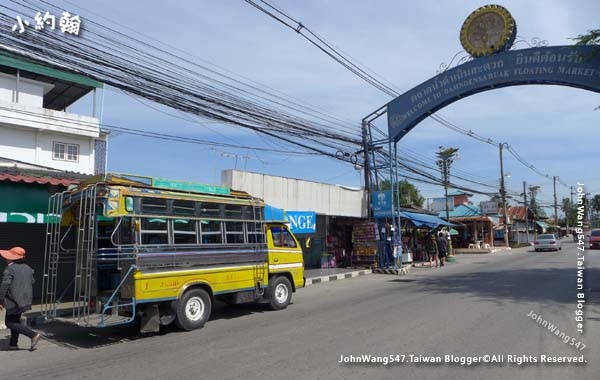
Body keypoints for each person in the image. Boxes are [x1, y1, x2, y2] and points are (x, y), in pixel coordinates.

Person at [0, 247, 41, 351]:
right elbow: (32, 281)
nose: (6, 258)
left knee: (10, 323)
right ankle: (13, 344)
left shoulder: (10, 269)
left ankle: (33, 335)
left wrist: (0, 300)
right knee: (15, 321)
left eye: (8, 257)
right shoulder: (28, 268)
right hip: (25, 300)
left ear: (13, 258)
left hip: (13, 301)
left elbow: (4, 286)